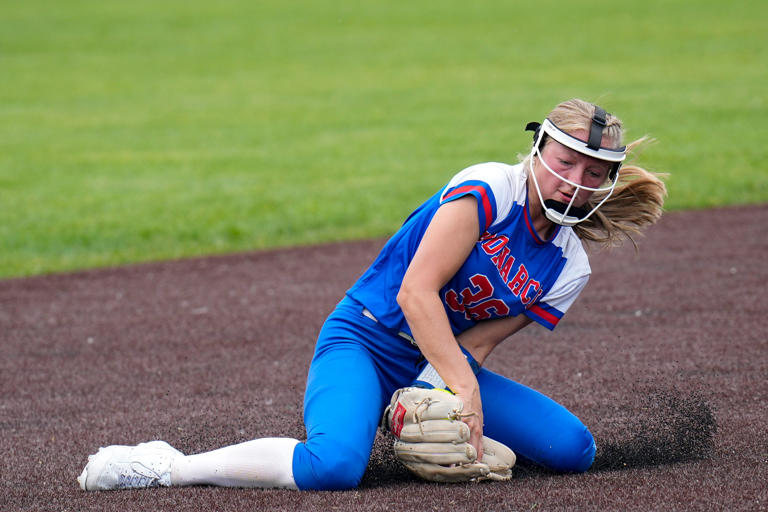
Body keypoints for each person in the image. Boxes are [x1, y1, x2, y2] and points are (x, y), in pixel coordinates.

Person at [78, 98, 667, 491]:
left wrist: (435, 398)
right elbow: (416, 293)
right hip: (364, 337)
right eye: (567, 161)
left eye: (595, 172)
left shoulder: (571, 265)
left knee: (572, 449)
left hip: (436, 360)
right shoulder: (487, 188)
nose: (576, 179)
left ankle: (400, 417)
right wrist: (464, 396)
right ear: (540, 151)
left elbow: (478, 344)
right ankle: (168, 466)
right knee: (333, 466)